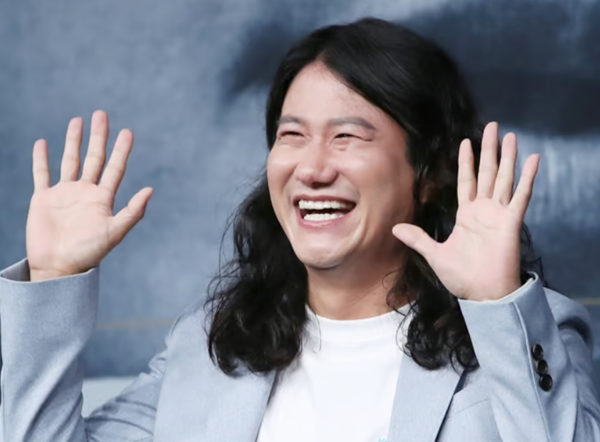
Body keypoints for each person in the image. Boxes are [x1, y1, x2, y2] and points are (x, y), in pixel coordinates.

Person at [0, 17, 599, 442]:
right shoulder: (209, 347)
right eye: (291, 135)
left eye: (347, 136)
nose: (312, 168)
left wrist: (495, 305)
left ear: (431, 173)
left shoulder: (530, 335)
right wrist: (54, 278)